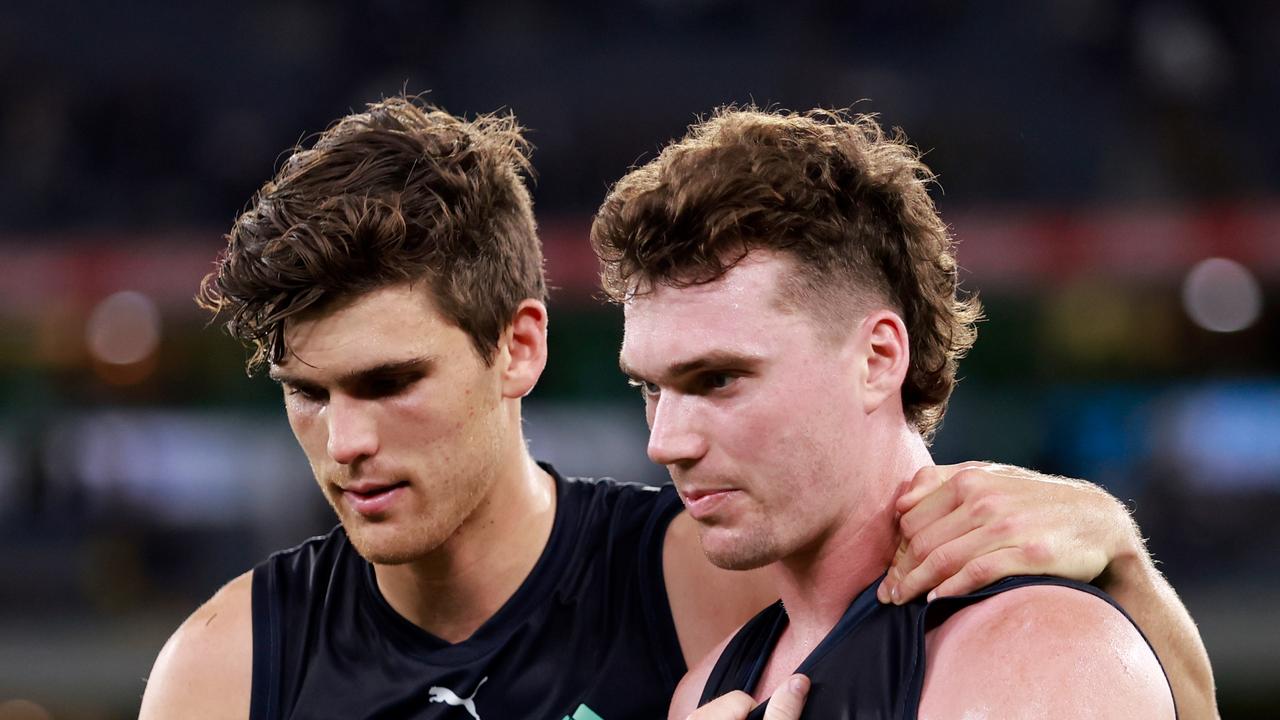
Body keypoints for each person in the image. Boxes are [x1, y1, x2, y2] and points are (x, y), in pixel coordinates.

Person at [137, 97, 1214, 720]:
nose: (346, 442)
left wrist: (1121, 570)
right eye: (305, 395)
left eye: (388, 382)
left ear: (518, 347)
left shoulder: (705, 577)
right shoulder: (223, 669)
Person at [590, 106, 1214, 719]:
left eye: (719, 378)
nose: (666, 443)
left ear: (877, 359)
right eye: (649, 388)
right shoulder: (702, 693)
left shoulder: (1038, 649)